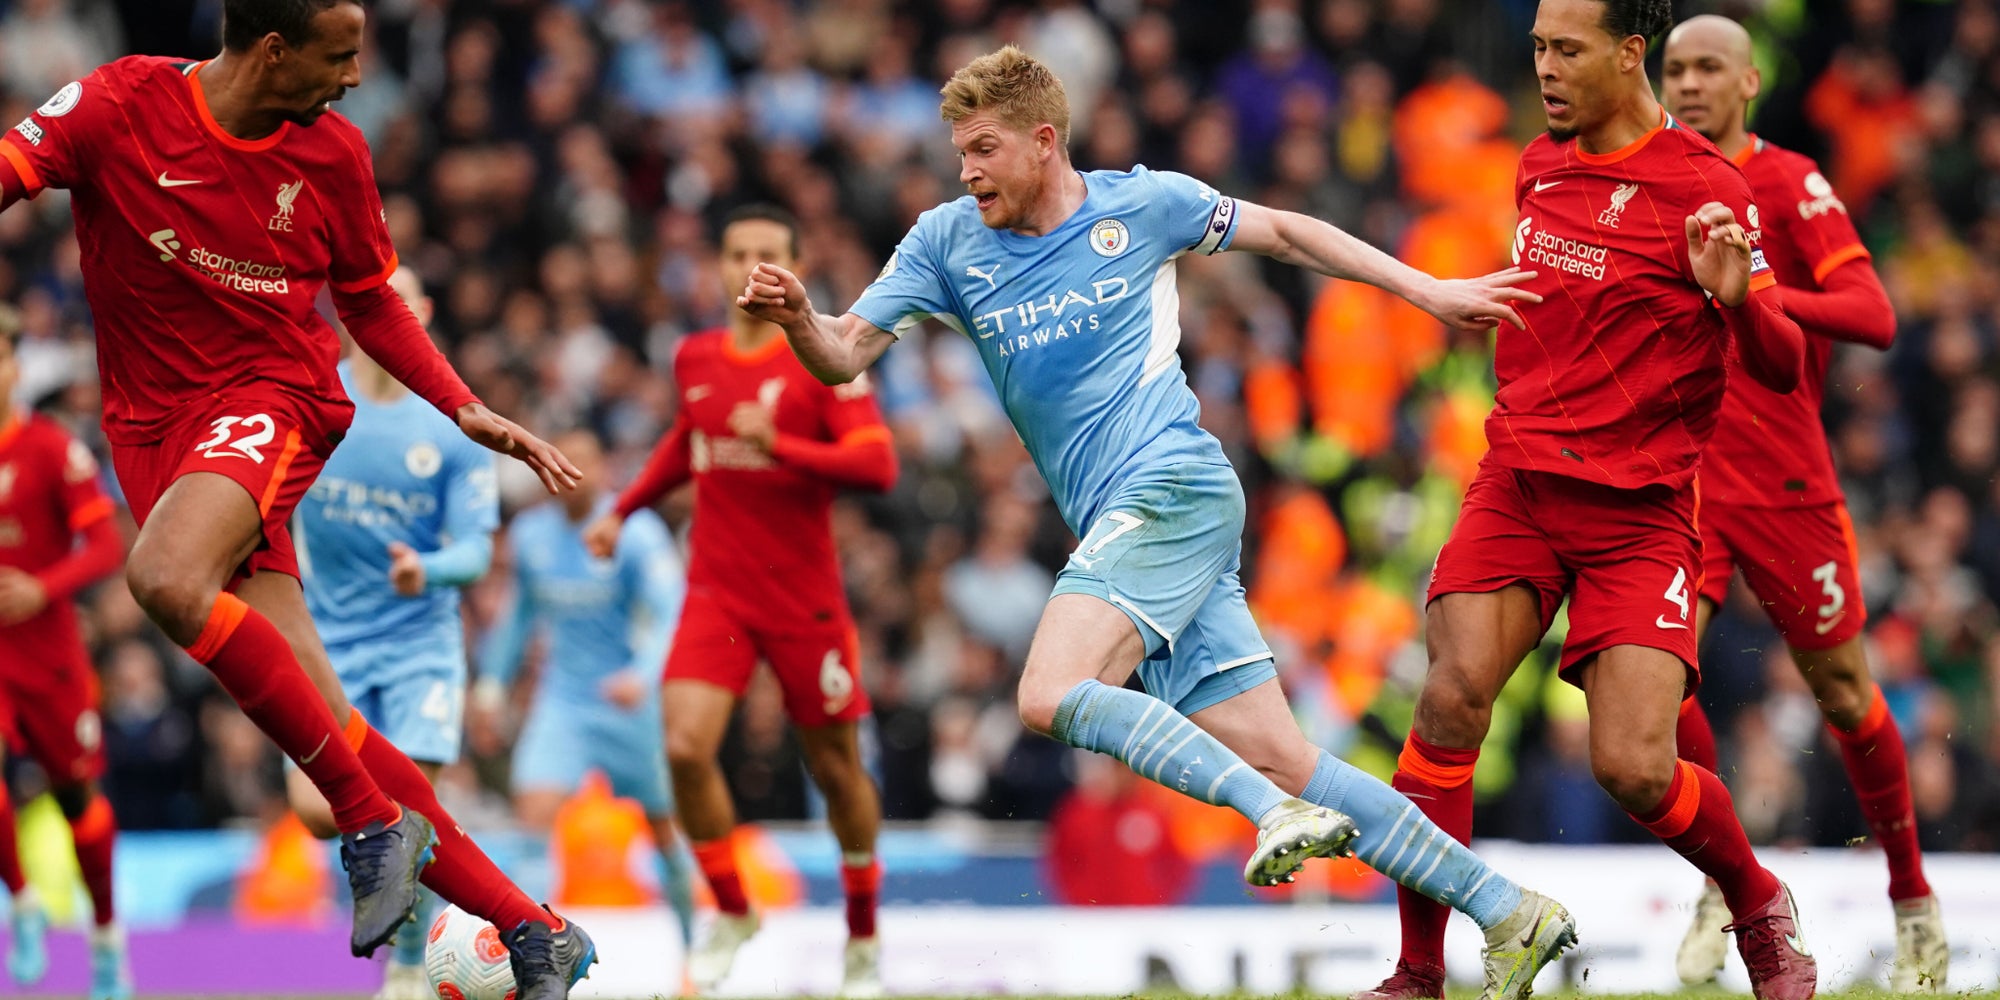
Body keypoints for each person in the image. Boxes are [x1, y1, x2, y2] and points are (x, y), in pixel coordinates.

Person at [738, 44, 1576, 1000]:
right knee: (1285, 753)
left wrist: (1427, 291)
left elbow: (1291, 234)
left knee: (1048, 693)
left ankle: (1266, 814)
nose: (965, 172)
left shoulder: (1142, 206)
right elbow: (846, 355)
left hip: (1172, 486)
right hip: (1135, 520)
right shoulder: (945, 241)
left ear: (1043, 141)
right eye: (958, 153)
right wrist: (802, 318)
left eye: (981, 150)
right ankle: (1508, 908)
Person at [0, 2, 595, 994]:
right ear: (274, 50)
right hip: (155, 435)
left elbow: (366, 299)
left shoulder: (335, 156)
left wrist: (462, 407)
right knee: (327, 719)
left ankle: (371, 828)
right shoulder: (120, 104)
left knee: (165, 578)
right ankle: (535, 932)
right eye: (342, 54)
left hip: (274, 400)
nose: (358, 75)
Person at [1358, 1, 1819, 999]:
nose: (1544, 70)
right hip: (1517, 483)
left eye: (1564, 50)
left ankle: (1757, 904)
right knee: (1445, 699)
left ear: (1627, 53)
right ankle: (1415, 970)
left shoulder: (1707, 189)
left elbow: (1782, 368)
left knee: (1633, 768)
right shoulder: (1537, 161)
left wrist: (1736, 297)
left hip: (1637, 516)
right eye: (1534, 49)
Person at [1660, 15, 1947, 992]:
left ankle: (1911, 901)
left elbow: (1871, 313)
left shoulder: (1784, 183)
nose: (1688, 84)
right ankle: (1724, 877)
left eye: (1707, 69)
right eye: (1673, 70)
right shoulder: (1650, 184)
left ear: (1746, 84)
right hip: (1683, 480)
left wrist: (1757, 296)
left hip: (1784, 482)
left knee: (1841, 694)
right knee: (1653, 691)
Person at [586, 203, 899, 997]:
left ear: (795, 268)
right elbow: (687, 439)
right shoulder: (694, 354)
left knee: (835, 770)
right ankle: (731, 908)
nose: (750, 268)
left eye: (768, 255)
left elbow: (877, 464)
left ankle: (862, 935)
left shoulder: (829, 357)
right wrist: (621, 512)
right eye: (736, 255)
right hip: (717, 590)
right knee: (685, 749)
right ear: (719, 267)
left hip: (804, 600)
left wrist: (779, 445)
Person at [288, 267, 500, 1000]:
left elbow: (477, 549)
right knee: (317, 812)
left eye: (401, 299)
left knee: (412, 809)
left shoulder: (453, 422)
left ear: (424, 312)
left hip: (419, 646)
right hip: (327, 643)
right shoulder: (315, 397)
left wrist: (430, 570)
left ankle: (410, 963)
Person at [480, 428, 699, 957]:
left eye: (584, 462)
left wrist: (643, 675)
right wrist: (490, 683)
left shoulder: (634, 530)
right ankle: (534, 959)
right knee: (534, 811)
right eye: (564, 462)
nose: (573, 474)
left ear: (602, 470)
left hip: (628, 704)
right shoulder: (531, 535)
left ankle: (695, 954)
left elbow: (671, 609)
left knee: (664, 827)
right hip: (564, 701)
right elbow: (519, 616)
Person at [0, 326, 130, 1000]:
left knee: (76, 800)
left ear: (12, 367)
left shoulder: (51, 449)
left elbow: (107, 545)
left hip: (49, 656)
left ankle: (105, 936)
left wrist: (41, 588)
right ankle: (21, 901)